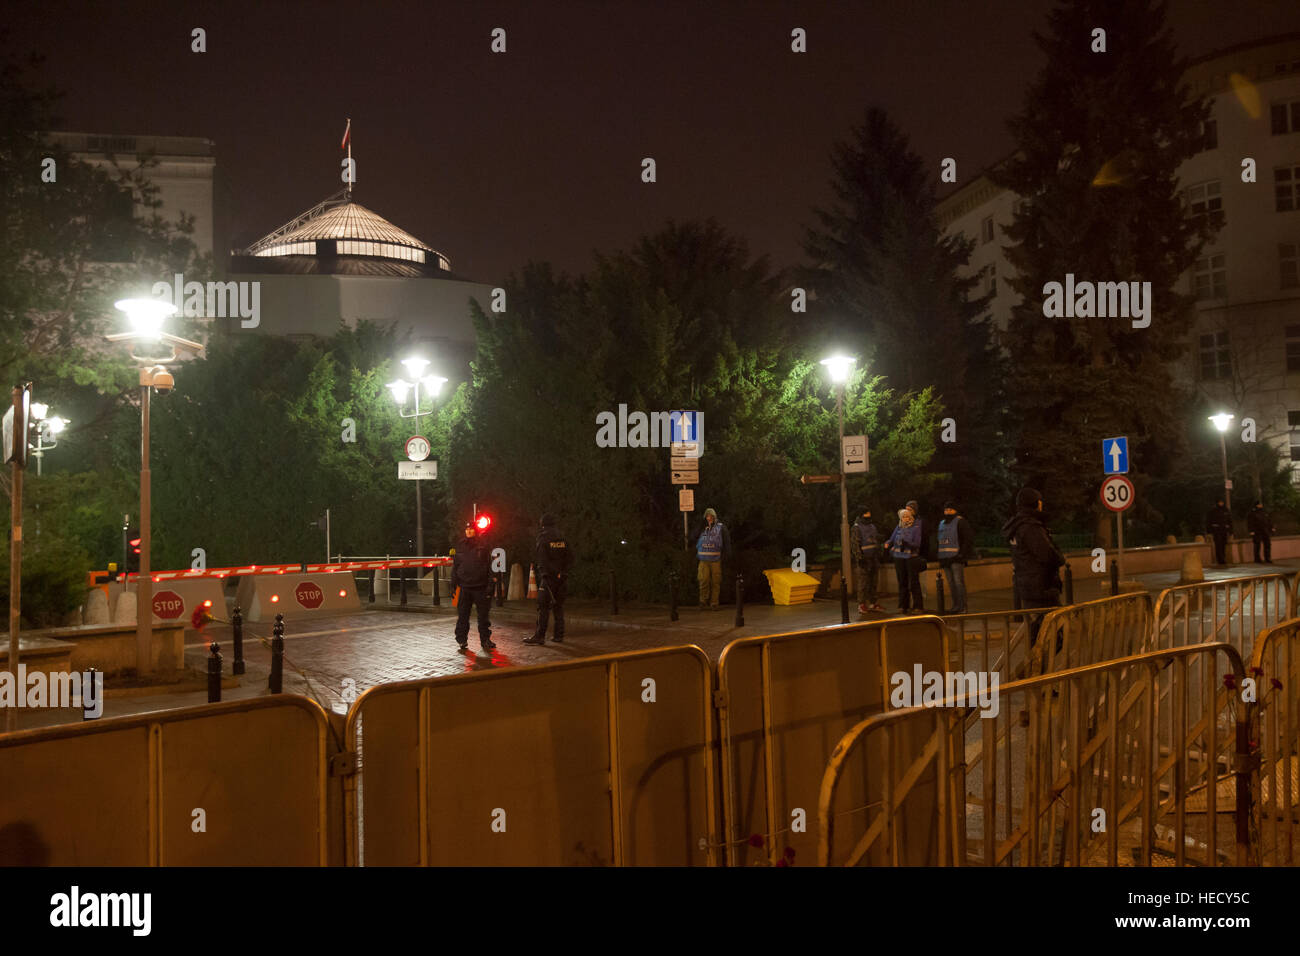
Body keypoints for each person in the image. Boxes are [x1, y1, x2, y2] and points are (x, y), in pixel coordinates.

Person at [1002, 487, 1066, 646]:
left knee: (1041, 634)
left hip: (1028, 586)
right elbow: (1047, 555)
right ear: (1036, 503)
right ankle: (1038, 669)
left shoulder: (1017, 526)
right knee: (1050, 637)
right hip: (1041, 588)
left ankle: (1038, 667)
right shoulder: (1030, 527)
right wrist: (1059, 556)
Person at [524, 513, 572, 645]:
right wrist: (563, 573)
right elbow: (569, 557)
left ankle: (539, 636)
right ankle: (558, 635)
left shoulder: (543, 537)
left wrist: (546, 573)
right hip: (562, 578)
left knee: (543, 607)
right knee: (558, 607)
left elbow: (542, 558)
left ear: (542, 524)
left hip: (548, 578)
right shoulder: (562, 537)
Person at [450, 518, 496, 653]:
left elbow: (489, 567)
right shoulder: (460, 545)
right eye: (467, 529)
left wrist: (490, 584)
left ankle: (485, 640)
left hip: (480, 587)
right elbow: (456, 566)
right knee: (463, 615)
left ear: (475, 530)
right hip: (464, 587)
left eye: (471, 529)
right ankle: (461, 640)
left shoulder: (483, 545)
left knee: (483, 617)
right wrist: (453, 583)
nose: (468, 531)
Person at [937, 501, 976, 614]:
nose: (948, 511)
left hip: (956, 558)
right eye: (946, 510)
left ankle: (963, 607)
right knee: (951, 583)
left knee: (958, 582)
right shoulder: (941, 524)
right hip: (945, 558)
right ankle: (956, 606)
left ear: (955, 510)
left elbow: (968, 539)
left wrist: (962, 554)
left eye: (950, 509)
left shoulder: (960, 522)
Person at [885, 508, 924, 613]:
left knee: (913, 582)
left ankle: (918, 606)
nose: (905, 519)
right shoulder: (898, 527)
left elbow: (917, 544)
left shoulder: (915, 528)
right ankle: (903, 606)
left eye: (907, 516)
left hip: (911, 557)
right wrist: (888, 543)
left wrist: (906, 543)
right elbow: (892, 539)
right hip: (899, 557)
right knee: (902, 582)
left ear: (911, 517)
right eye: (903, 517)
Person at [696, 507, 732, 610]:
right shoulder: (702, 527)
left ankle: (714, 603)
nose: (709, 518)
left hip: (715, 560)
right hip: (703, 559)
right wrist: (700, 527)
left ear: (714, 516)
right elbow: (693, 536)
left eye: (711, 516)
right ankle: (703, 601)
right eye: (707, 516)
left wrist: (727, 555)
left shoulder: (721, 527)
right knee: (703, 580)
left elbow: (726, 541)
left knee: (716, 582)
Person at [851, 507, 883, 614]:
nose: (869, 515)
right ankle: (862, 604)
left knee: (873, 582)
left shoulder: (872, 526)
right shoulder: (856, 527)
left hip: (873, 558)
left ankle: (873, 603)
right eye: (866, 514)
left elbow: (876, 540)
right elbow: (855, 544)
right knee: (863, 583)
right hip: (864, 559)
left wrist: (879, 552)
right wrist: (860, 558)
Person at [1205, 498, 1233, 566]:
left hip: (1224, 531)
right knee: (1218, 545)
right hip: (1217, 531)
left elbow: (1230, 521)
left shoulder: (1226, 510)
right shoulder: (1213, 511)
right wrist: (1209, 531)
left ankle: (1223, 558)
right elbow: (1209, 521)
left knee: (1223, 545)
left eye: (1222, 502)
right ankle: (1220, 559)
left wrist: (1231, 530)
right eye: (1220, 502)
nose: (1221, 503)